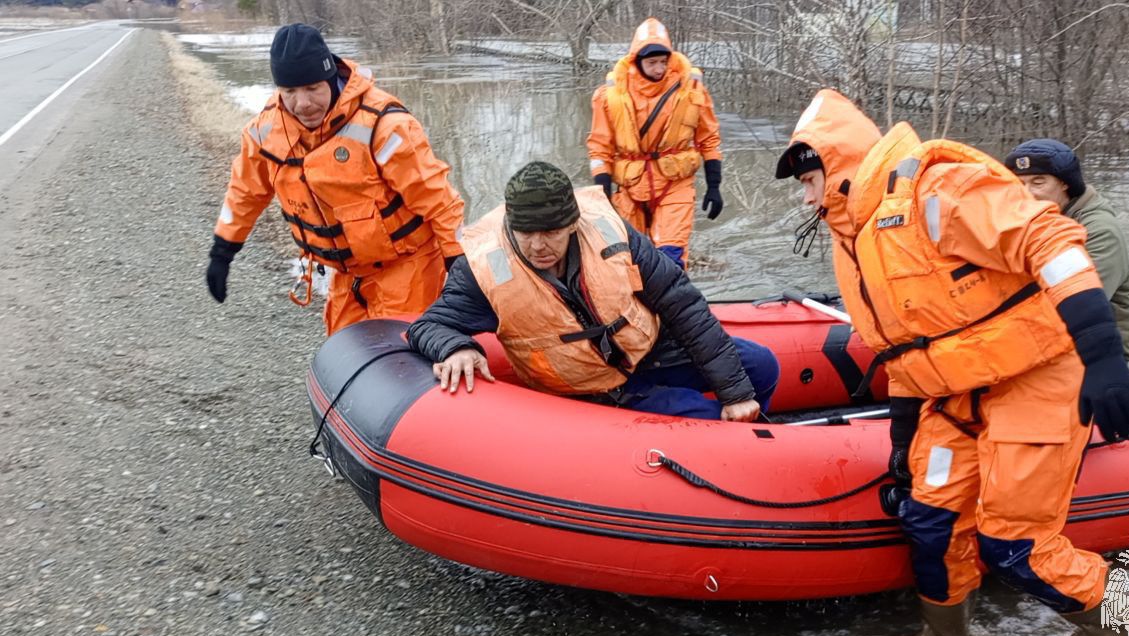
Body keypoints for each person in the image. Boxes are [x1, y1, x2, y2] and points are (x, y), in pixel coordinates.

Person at [774, 89, 1129, 636]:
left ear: (837, 168)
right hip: (955, 396)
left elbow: (1049, 243)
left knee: (1016, 547)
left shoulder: (938, 188)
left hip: (1037, 378)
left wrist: (1103, 356)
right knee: (929, 522)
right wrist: (902, 442)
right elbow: (900, 346)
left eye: (808, 179)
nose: (804, 196)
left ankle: (1114, 625)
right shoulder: (855, 239)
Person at [407, 161, 778, 422]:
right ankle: (732, 454)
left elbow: (682, 303)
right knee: (703, 418)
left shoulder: (612, 232)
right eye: (527, 234)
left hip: (651, 352)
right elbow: (429, 326)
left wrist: (736, 394)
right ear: (511, 227)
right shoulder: (483, 269)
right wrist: (457, 347)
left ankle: (751, 436)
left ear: (571, 224)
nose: (538, 246)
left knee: (761, 365)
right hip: (592, 387)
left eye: (551, 232)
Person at [205, 23, 464, 335]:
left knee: (402, 359)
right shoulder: (264, 133)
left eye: (313, 88)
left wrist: (459, 264)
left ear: (331, 78)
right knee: (343, 353)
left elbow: (438, 199)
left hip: (407, 267)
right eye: (290, 92)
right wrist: (223, 252)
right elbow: (244, 193)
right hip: (345, 274)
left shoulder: (383, 125)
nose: (303, 103)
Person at [587, 17, 723, 267]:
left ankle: (674, 304)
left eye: (663, 62)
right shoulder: (610, 95)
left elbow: (709, 138)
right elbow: (599, 146)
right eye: (652, 63)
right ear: (637, 62)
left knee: (671, 258)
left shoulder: (691, 88)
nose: (660, 69)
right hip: (630, 187)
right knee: (628, 261)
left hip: (675, 182)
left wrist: (714, 184)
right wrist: (602, 193)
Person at [1006, 139, 1129, 359]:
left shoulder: (1099, 231)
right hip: (1042, 341)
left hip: (1095, 353)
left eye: (1038, 182)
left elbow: (1078, 305)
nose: (1027, 193)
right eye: (1019, 184)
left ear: (1065, 183)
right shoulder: (1031, 219)